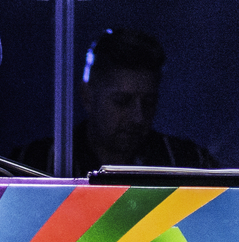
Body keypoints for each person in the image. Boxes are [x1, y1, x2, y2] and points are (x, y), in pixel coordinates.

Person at [14, 28, 215, 174]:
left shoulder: (188, 163)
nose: (138, 117)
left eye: (148, 102)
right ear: (87, 96)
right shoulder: (33, 163)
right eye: (122, 101)